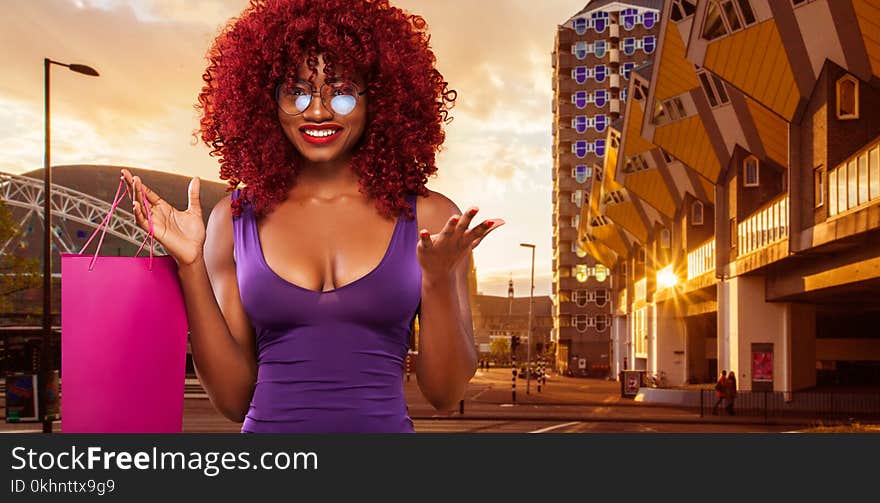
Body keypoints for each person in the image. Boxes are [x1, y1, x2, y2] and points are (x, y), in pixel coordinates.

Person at [120, 0, 504, 433]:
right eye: (295, 91)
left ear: (378, 97)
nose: (317, 111)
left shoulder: (431, 216)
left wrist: (436, 279)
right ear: (266, 100)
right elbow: (232, 400)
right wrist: (191, 268)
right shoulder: (236, 219)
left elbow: (445, 393)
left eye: (340, 92)